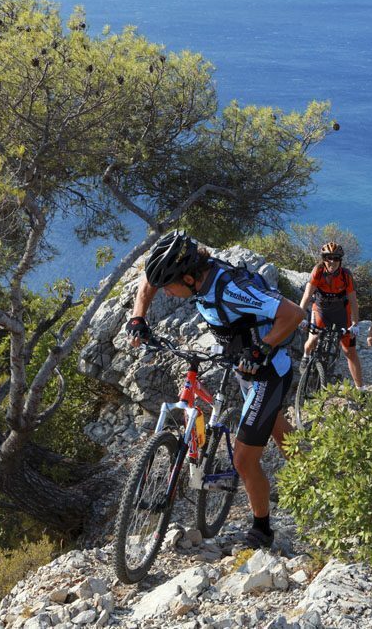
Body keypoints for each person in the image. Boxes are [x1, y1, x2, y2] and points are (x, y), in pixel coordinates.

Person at [124, 231, 305, 548]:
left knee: (243, 460)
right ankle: (313, 472)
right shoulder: (192, 278)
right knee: (275, 426)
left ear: (189, 278)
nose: (165, 293)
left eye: (170, 286)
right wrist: (138, 317)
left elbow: (293, 314)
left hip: (268, 372)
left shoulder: (232, 290)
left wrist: (261, 348)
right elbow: (149, 282)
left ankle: (262, 530)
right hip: (244, 368)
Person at [298, 241, 364, 387]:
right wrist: (300, 316)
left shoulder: (346, 275)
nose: (332, 262)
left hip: (341, 312)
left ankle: (360, 389)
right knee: (313, 339)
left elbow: (353, 301)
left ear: (340, 260)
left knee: (350, 351)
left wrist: (355, 324)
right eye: (329, 258)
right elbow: (307, 295)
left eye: (336, 258)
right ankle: (306, 356)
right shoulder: (318, 271)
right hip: (321, 310)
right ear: (324, 259)